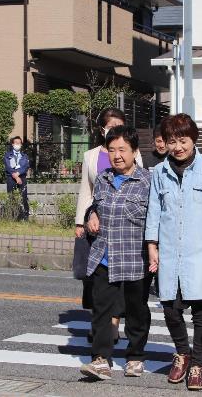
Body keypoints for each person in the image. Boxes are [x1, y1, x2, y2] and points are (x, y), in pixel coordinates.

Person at [146, 114, 202, 391]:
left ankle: (198, 364)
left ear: (193, 139)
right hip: (171, 250)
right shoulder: (160, 171)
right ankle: (183, 352)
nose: (178, 147)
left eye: (183, 140)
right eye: (172, 141)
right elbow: (154, 211)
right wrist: (152, 244)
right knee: (170, 307)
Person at [79, 126, 152, 380]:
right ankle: (100, 359)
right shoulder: (103, 178)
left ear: (134, 151)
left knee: (136, 310)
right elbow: (95, 205)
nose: (117, 155)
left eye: (122, 149)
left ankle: (135, 356)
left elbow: (155, 220)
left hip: (135, 258)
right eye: (111, 150)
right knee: (101, 309)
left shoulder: (147, 181)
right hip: (104, 255)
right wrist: (91, 215)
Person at [75, 108, 142, 341]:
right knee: (96, 278)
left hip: (123, 226)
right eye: (110, 126)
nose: (117, 153)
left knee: (119, 280)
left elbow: (140, 182)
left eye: (119, 125)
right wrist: (81, 220)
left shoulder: (132, 153)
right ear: (102, 129)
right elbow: (86, 190)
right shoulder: (91, 156)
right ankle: (102, 323)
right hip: (95, 223)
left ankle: (113, 324)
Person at [4, 136, 30, 220]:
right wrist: (15, 176)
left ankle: (25, 217)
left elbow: (25, 166)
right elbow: (8, 167)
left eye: (19, 143)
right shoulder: (8, 155)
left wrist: (18, 174)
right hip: (11, 178)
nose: (18, 145)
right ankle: (11, 217)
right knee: (11, 197)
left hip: (22, 178)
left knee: (24, 197)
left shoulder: (24, 156)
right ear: (12, 144)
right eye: (16, 143)